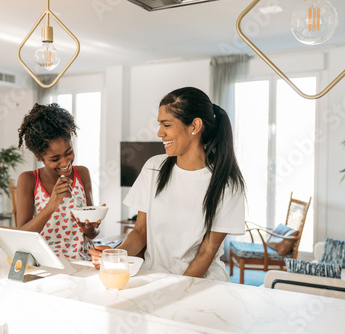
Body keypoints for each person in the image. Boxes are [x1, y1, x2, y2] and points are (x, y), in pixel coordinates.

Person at [90, 87, 245, 281]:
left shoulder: (226, 183)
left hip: (201, 283)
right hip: (153, 277)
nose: (159, 133)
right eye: (159, 124)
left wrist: (177, 289)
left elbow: (207, 251)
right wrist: (115, 255)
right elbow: (140, 232)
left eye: (167, 124)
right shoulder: (154, 168)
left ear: (195, 126)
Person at [16, 103, 100, 260]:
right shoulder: (28, 180)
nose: (64, 163)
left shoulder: (82, 173)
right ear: (38, 156)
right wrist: (51, 206)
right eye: (55, 159)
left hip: (83, 263)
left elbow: (93, 234)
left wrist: (89, 228)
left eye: (69, 152)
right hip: (46, 264)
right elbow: (21, 236)